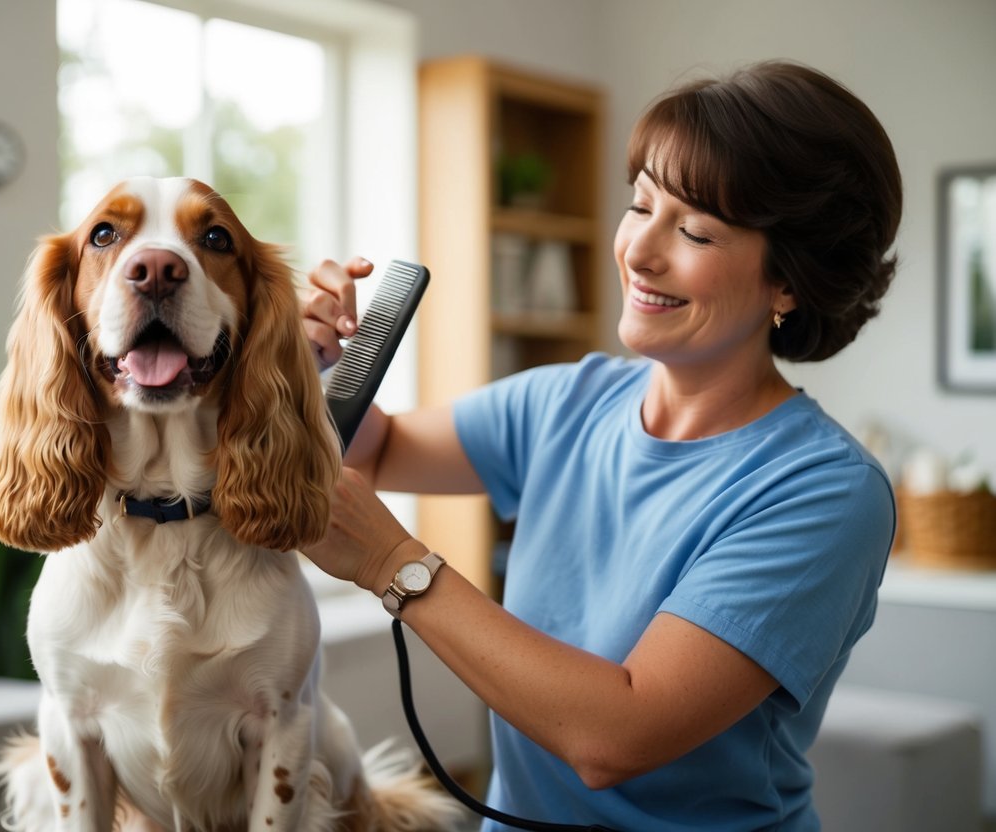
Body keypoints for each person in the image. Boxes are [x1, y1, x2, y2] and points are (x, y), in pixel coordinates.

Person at [299, 60, 902, 832]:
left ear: (789, 280)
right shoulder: (569, 400)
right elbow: (374, 450)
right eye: (639, 205)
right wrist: (314, 363)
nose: (639, 252)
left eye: (691, 230)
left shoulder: (822, 491)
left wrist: (394, 563)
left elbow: (615, 735)